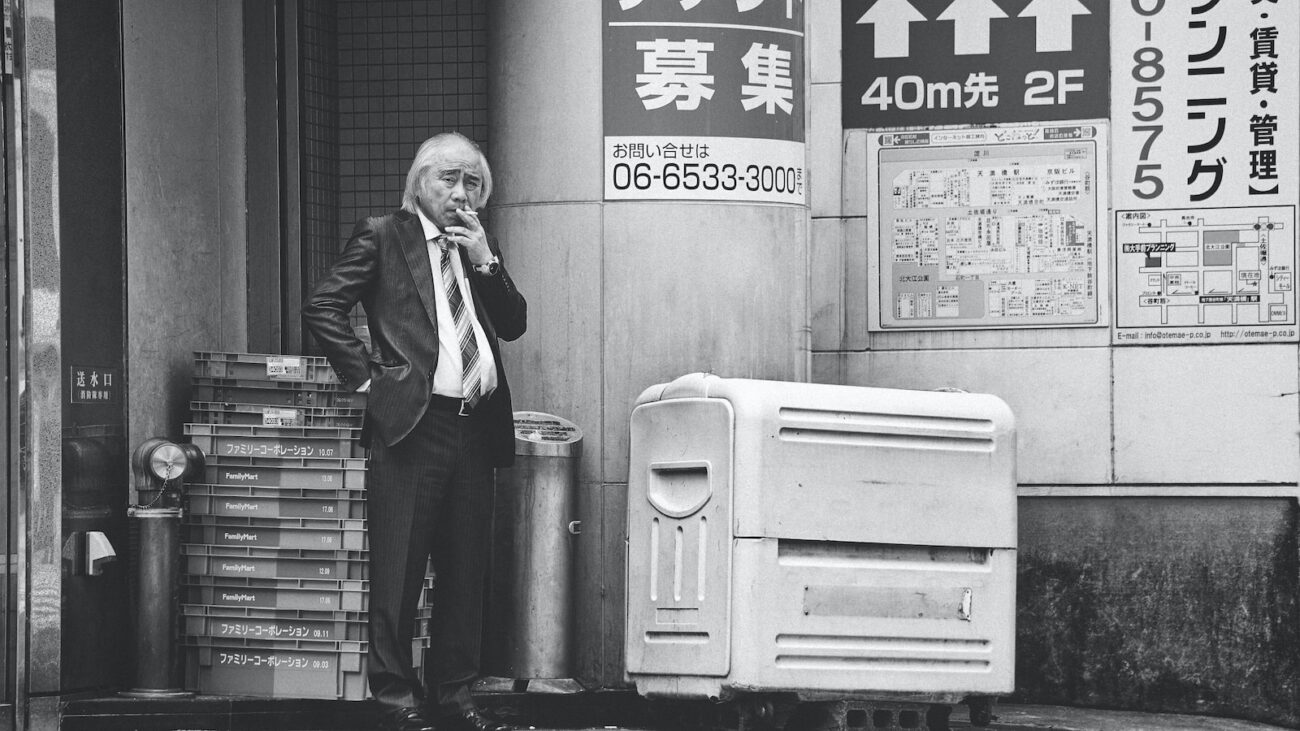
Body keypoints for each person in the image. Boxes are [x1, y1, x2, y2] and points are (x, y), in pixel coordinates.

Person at [303, 132, 526, 731]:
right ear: (419, 182)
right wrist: (369, 383)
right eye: (448, 179)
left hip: (475, 428)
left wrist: (485, 260)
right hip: (412, 426)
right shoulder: (383, 235)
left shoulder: (480, 246)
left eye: (472, 183)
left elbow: (514, 323)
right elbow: (323, 307)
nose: (460, 193)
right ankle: (396, 701)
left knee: (465, 570)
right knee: (398, 572)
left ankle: (455, 697)